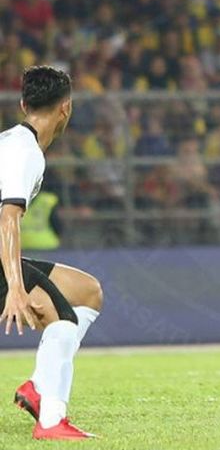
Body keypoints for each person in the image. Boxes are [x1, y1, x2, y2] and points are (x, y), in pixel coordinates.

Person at [0, 66, 102, 439]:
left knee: (86, 292)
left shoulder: (12, 142)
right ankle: (51, 421)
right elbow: (7, 219)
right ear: (66, 109)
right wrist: (15, 286)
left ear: (24, 104)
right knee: (62, 321)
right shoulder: (25, 152)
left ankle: (38, 387)